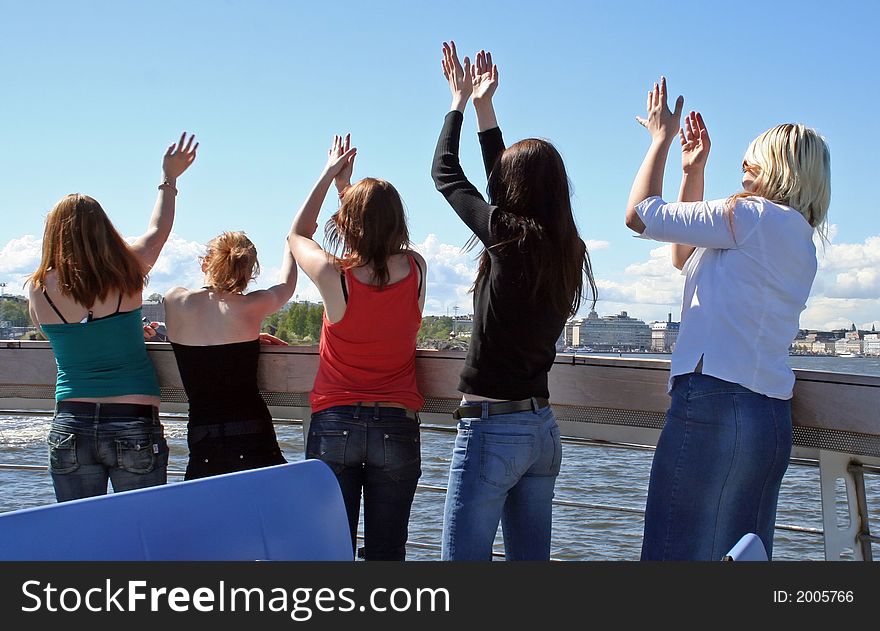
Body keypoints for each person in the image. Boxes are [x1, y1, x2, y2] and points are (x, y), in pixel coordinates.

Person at [625, 77, 831, 560]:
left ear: (780, 168)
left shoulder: (750, 215)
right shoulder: (798, 237)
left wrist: (659, 139)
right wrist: (692, 170)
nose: (744, 163)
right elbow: (683, 255)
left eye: (754, 155)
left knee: (671, 552)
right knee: (743, 558)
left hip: (712, 401)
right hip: (768, 415)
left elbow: (640, 215)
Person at [433, 43, 597, 560]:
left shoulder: (509, 236)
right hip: (541, 432)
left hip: (491, 431)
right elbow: (501, 187)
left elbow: (444, 174)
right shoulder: (565, 249)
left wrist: (457, 103)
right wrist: (486, 106)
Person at [27, 132, 198, 502]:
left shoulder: (38, 288)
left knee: (82, 536)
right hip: (133, 419)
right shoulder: (128, 272)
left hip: (71, 421)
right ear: (103, 228)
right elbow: (158, 230)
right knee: (142, 533)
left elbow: (60, 332)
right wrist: (169, 179)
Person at [288, 133, 427, 561]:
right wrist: (348, 192)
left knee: (331, 551)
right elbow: (378, 242)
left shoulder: (336, 276)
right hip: (396, 424)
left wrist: (331, 175)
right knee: (388, 554)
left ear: (347, 222)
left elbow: (298, 233)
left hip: (334, 423)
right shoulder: (416, 268)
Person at [163, 231, 297, 480]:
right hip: (252, 426)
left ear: (206, 262)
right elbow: (287, 286)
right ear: (248, 273)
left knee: (210, 510)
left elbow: (210, 335)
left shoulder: (174, 300)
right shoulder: (250, 307)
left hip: (204, 432)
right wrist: (292, 244)